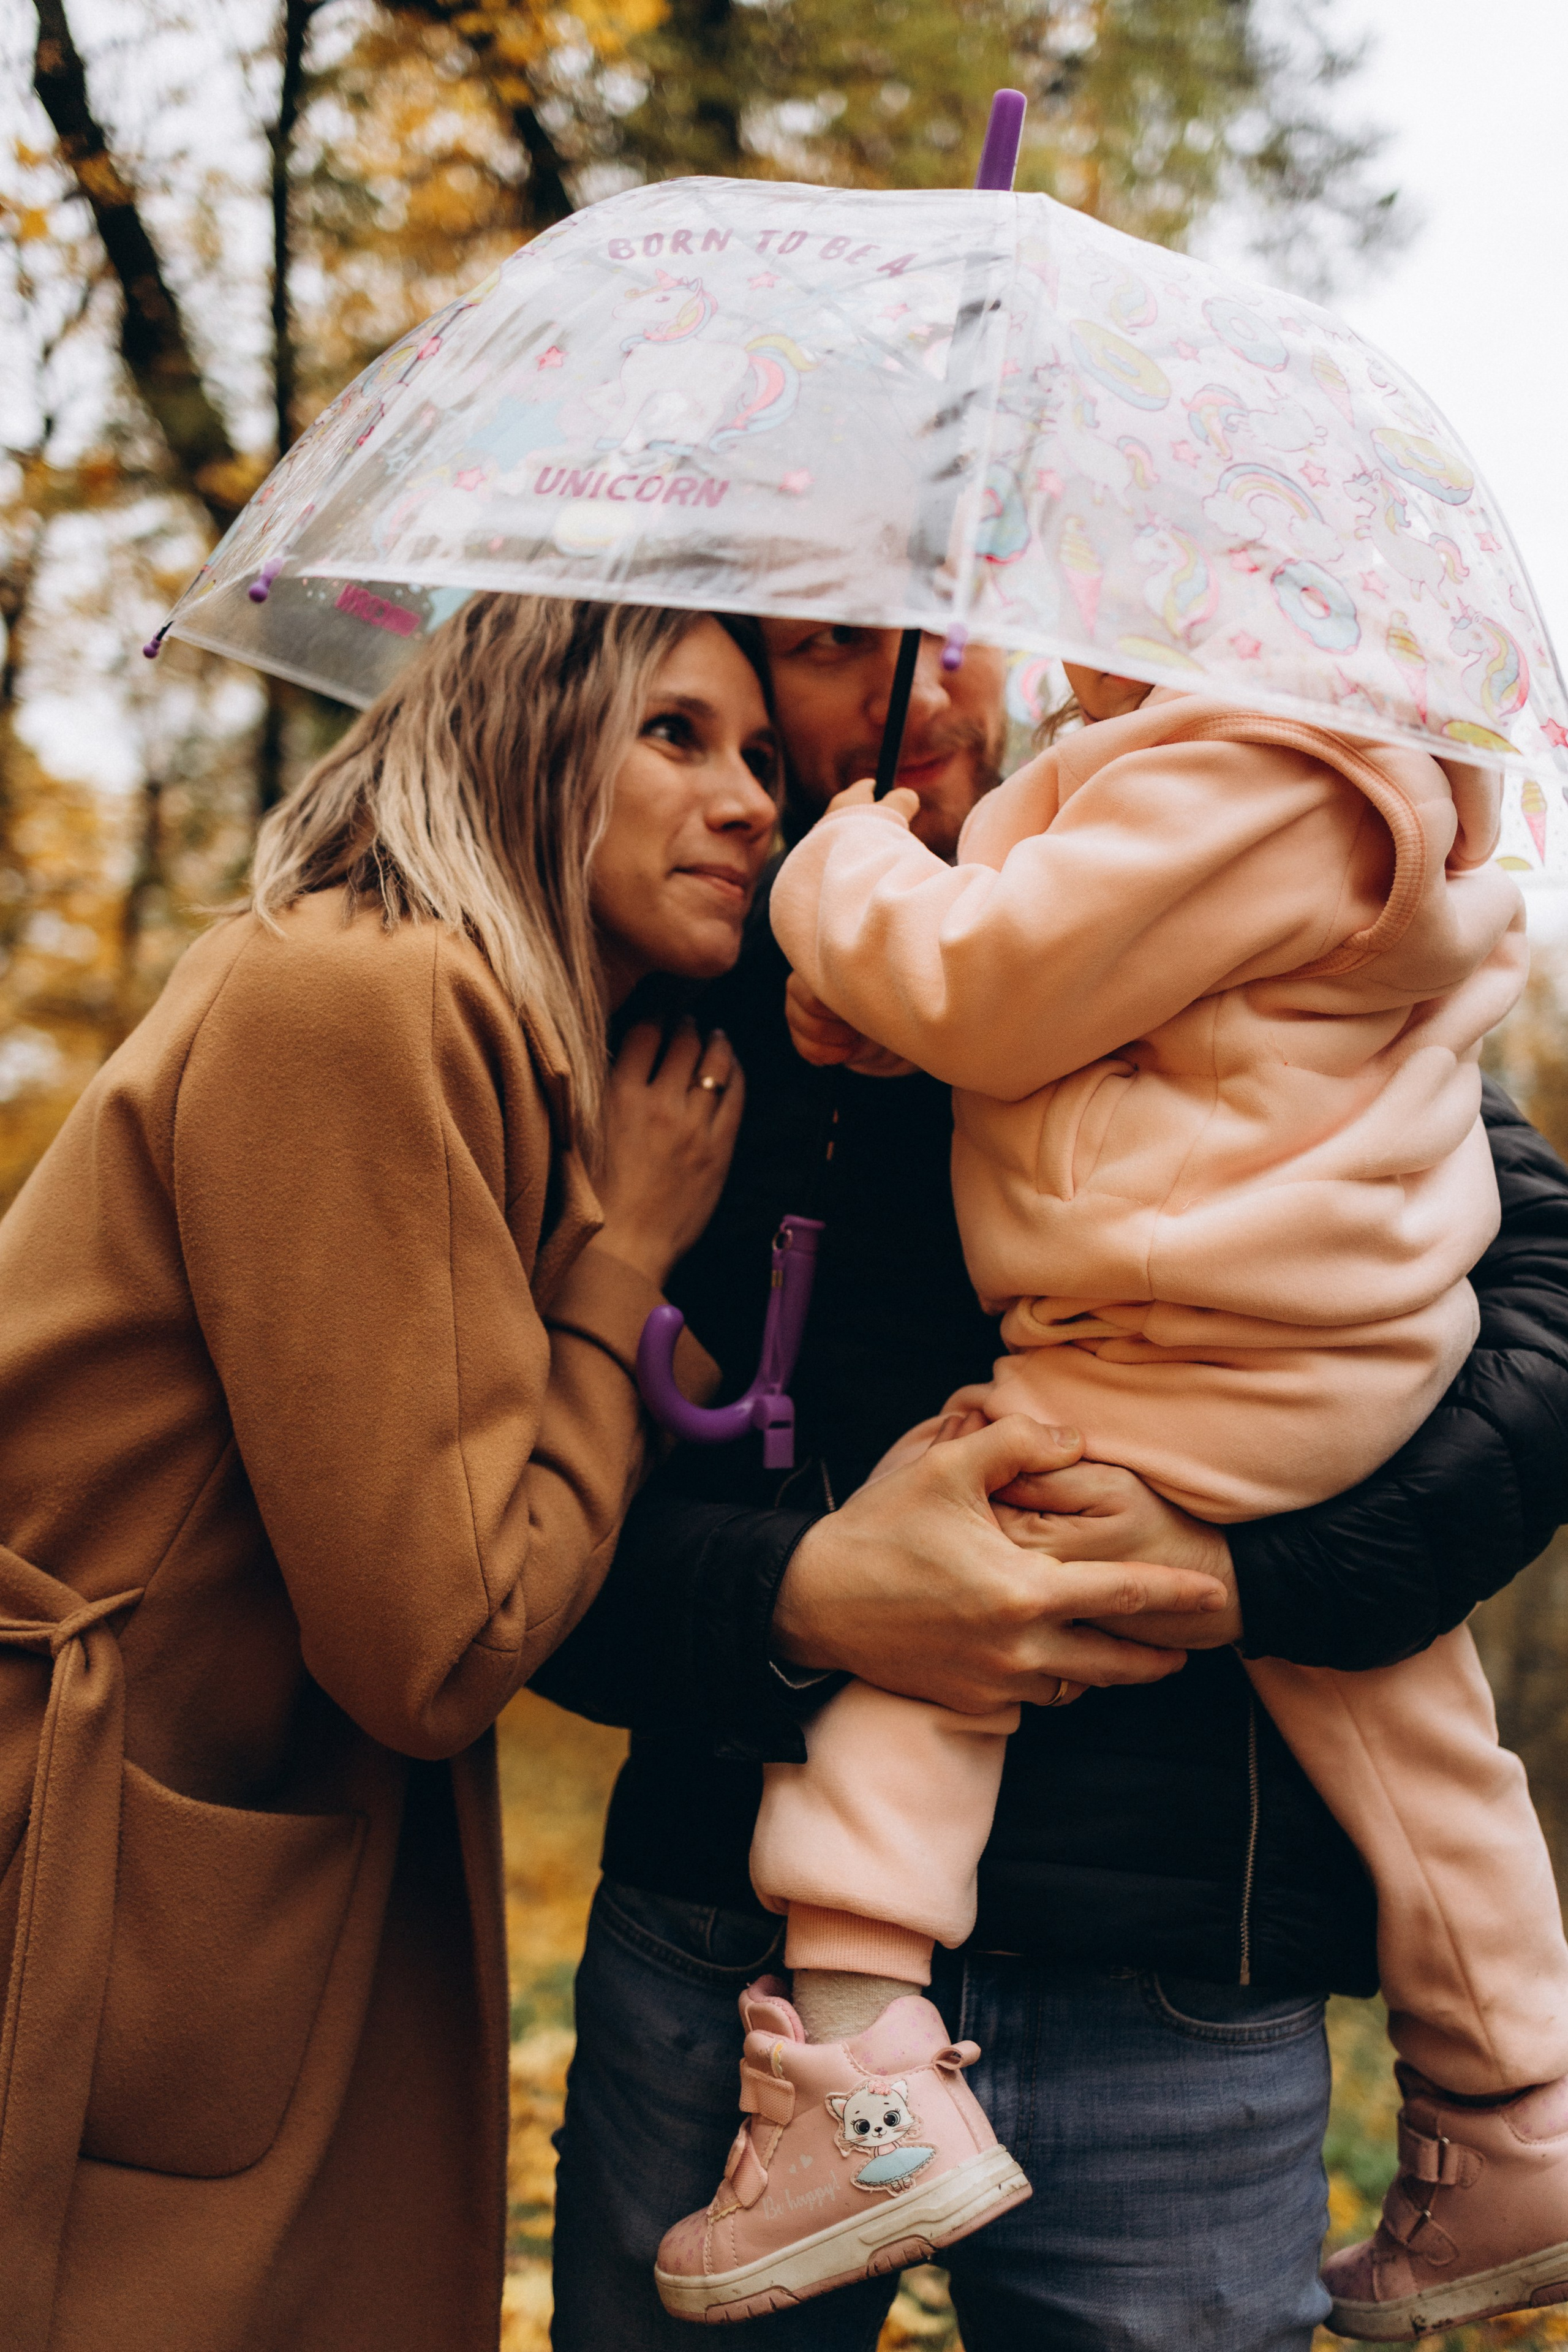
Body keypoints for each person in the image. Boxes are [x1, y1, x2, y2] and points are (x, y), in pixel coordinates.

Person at [538, 621, 1568, 2351]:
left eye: (958, 643)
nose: (926, 687)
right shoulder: (667, 1021)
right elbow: (505, 1544)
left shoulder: (1240, 916)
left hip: (1182, 1963)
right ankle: (1510, 2103)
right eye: (831, 651)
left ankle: (1511, 2113)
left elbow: (1533, 1346)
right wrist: (805, 1599)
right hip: (729, 1943)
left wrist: (1260, 1577)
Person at [0, 592, 780, 2352]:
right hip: (94, 1871)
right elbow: (441, 1634)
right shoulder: (362, 998)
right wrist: (625, 1279)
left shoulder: (460, 1023)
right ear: (525, 730)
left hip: (199, 1846)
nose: (750, 800)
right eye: (677, 735)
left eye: (765, 759)